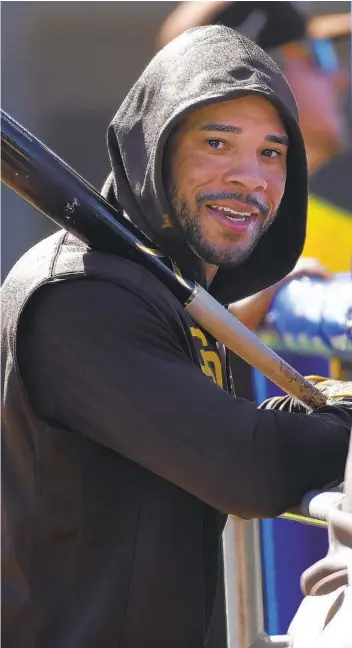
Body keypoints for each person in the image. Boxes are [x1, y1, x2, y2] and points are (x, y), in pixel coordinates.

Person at [2, 26, 352, 648]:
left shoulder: (163, 283)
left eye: (272, 153)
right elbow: (249, 467)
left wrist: (325, 406)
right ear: (153, 152)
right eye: (217, 143)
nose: (251, 178)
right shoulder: (82, 296)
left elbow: (209, 426)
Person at [158, 2, 352, 330]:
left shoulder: (325, 228)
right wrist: (224, 324)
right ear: (257, 77)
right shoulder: (154, 244)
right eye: (316, 56)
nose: (340, 78)